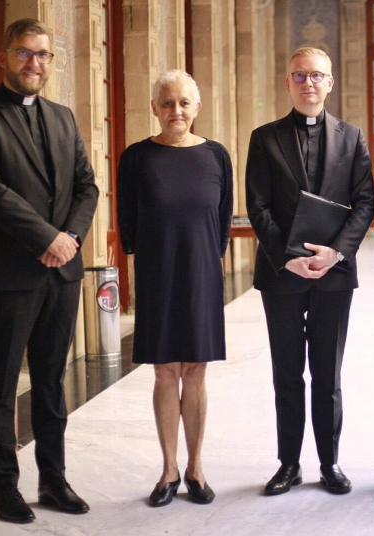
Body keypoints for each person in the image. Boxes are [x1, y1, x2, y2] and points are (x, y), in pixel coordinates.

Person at [0, 18, 98, 524]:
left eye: (43, 54)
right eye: (25, 52)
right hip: (8, 273)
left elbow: (87, 186)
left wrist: (69, 238)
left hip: (61, 272)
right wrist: (46, 238)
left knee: (51, 380)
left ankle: (53, 479)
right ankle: (4, 485)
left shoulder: (63, 117)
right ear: (5, 57)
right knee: (1, 382)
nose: (34, 62)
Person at [245, 47, 374, 496]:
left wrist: (336, 253)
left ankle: (329, 463)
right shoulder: (264, 138)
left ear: (330, 82)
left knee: (327, 374)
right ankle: (288, 464)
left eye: (317, 75)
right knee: (286, 373)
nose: (308, 83)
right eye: (299, 76)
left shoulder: (352, 137)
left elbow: (364, 202)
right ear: (288, 83)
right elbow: (257, 205)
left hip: (333, 273)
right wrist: (287, 257)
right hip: (281, 272)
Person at [117, 70, 233, 507]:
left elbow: (223, 218)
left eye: (184, 103)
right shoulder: (136, 158)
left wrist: (212, 256)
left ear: (197, 107)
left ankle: (196, 468)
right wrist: (144, 260)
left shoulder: (216, 156)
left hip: (202, 271)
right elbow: (127, 221)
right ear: (155, 108)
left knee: (196, 371)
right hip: (157, 273)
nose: (176, 111)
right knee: (165, 371)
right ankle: (168, 470)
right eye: (167, 103)